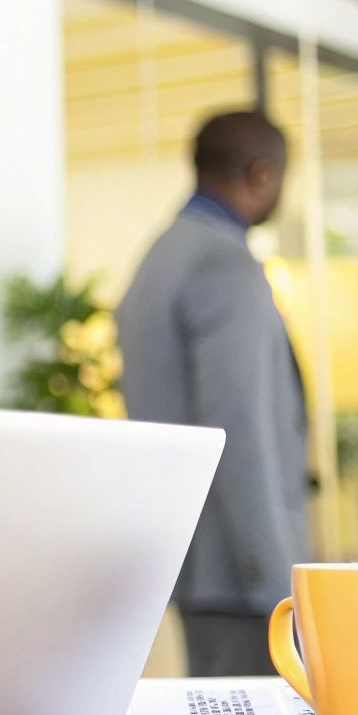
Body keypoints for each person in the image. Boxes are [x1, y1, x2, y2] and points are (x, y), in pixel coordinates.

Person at [115, 111, 310, 677]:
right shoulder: (225, 265)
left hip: (193, 558)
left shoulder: (160, 257)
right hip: (242, 572)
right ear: (261, 174)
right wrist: (277, 578)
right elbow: (238, 429)